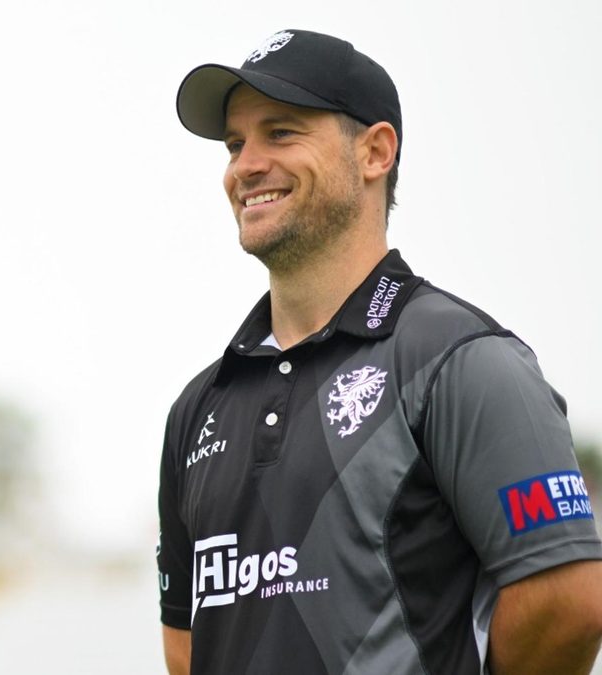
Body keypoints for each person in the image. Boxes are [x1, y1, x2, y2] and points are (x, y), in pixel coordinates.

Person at [157, 29, 602, 674]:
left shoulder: (460, 360)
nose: (244, 165)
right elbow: (186, 647)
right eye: (235, 143)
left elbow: (570, 603)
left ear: (375, 152)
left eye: (280, 133)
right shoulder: (198, 407)